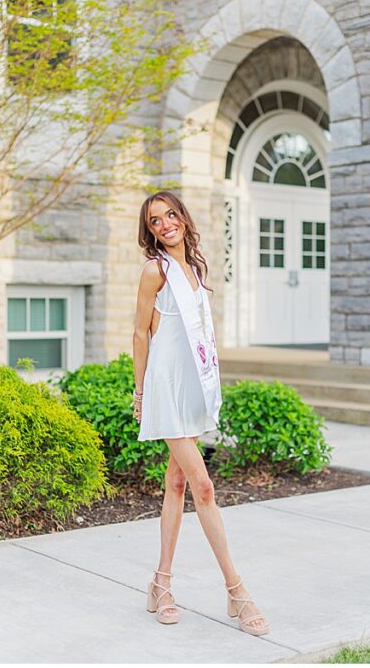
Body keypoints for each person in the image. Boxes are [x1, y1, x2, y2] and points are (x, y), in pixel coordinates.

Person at [131, 190, 268, 637]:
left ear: (183, 219)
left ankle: (160, 584)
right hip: (166, 390)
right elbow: (139, 333)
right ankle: (237, 590)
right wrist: (139, 393)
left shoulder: (193, 268)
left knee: (175, 483)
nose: (165, 224)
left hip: (192, 387)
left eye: (170, 215)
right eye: (155, 220)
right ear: (149, 230)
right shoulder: (156, 271)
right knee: (203, 487)